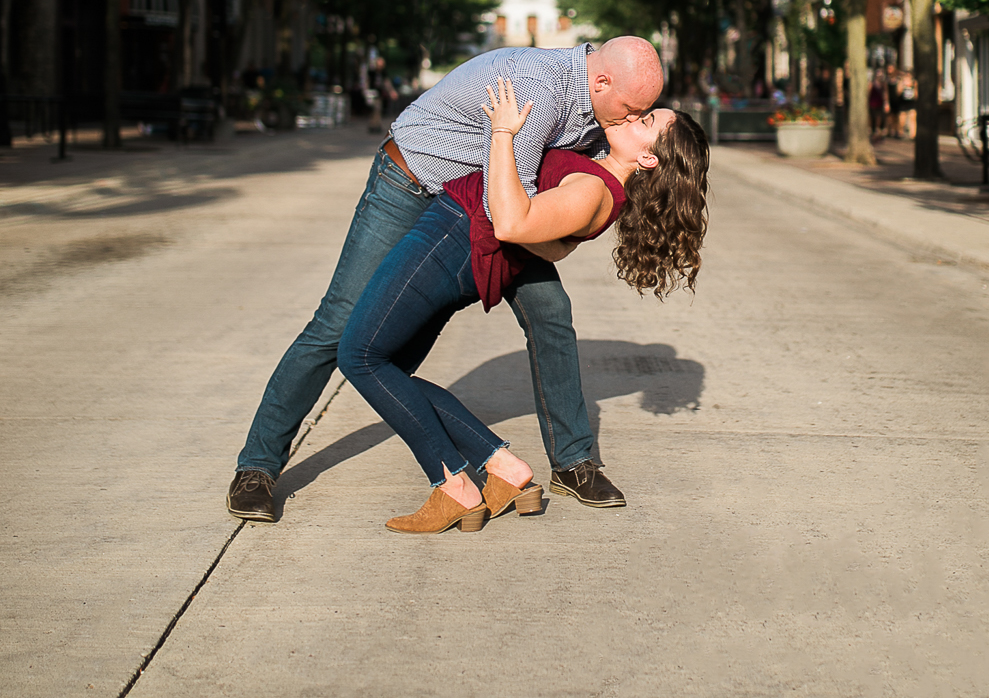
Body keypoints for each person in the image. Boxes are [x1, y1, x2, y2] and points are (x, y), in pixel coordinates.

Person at [225, 36, 667, 524]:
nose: (630, 120)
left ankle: (574, 461)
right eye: (630, 110)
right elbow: (513, 216)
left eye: (642, 114)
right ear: (601, 81)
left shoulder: (604, 108)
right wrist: (560, 242)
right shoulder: (538, 87)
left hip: (474, 208)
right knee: (338, 326)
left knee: (551, 313)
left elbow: (557, 196)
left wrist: (570, 233)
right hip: (413, 185)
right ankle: (258, 467)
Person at [338, 78, 709, 533]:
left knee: (360, 356)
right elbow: (552, 244)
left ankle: (452, 484)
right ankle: (504, 467)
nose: (634, 116)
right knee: (389, 367)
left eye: (647, 121)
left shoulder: (595, 190)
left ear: (649, 158)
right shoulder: (601, 176)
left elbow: (512, 223)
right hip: (457, 238)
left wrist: (503, 134)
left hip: (453, 238)